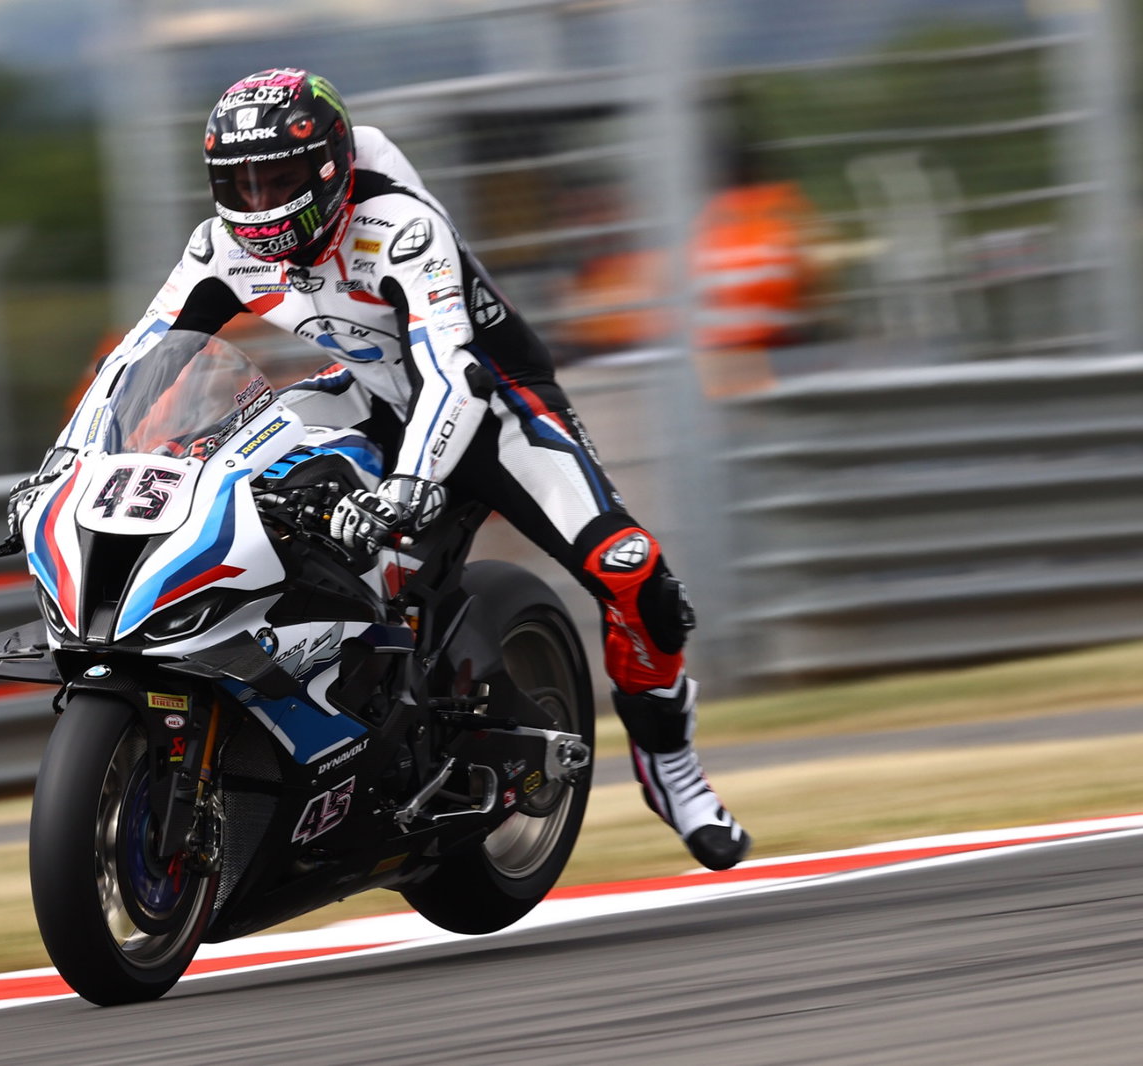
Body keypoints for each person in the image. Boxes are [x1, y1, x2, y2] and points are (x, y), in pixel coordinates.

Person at [61, 68, 750, 870]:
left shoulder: (397, 226)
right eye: (238, 184)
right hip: (365, 396)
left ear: (328, 168)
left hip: (492, 407)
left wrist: (411, 485)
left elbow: (451, 372)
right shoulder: (217, 248)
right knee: (225, 472)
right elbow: (136, 361)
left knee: (636, 575)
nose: (258, 203)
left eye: (278, 180)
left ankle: (670, 764)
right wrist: (67, 465)